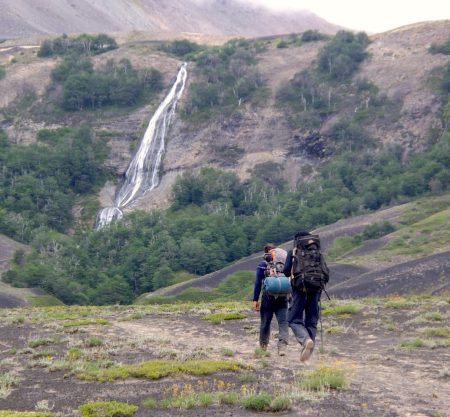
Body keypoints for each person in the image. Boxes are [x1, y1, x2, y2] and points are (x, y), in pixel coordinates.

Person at [283, 231, 329, 362]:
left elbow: (286, 272)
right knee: (311, 321)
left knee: (293, 319)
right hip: (316, 291)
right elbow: (326, 272)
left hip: (299, 290)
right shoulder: (318, 253)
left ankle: (305, 341)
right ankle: (309, 351)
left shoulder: (293, 252)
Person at [252, 243, 289, 356]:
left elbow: (258, 283)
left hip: (267, 300)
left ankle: (263, 347)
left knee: (265, 323)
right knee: (283, 323)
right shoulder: (284, 264)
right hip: (283, 299)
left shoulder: (263, 264)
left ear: (266, 253)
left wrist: (255, 300)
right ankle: (282, 347)